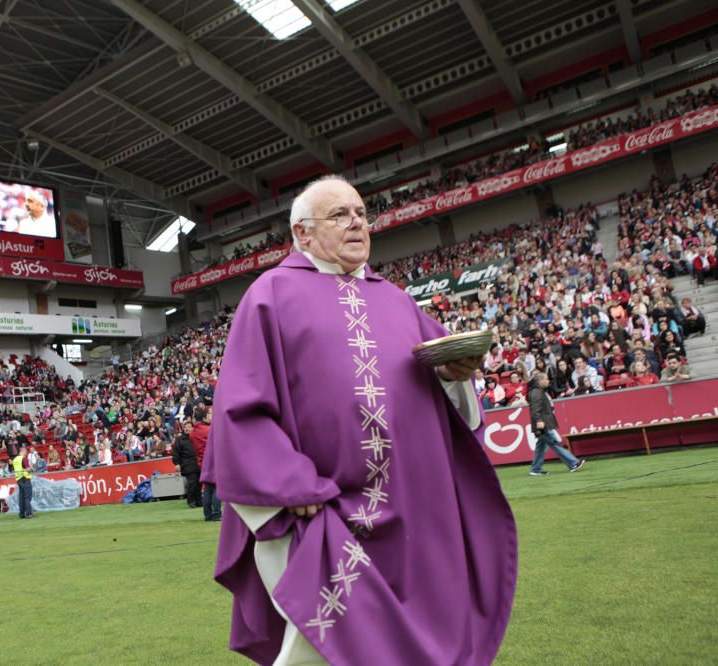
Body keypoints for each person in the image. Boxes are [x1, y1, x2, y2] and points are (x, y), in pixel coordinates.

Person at [201, 176, 515, 665]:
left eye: (362, 213)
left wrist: (457, 377)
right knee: (321, 651)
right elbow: (241, 409)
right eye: (340, 215)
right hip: (321, 518)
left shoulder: (397, 300)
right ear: (302, 234)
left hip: (413, 518)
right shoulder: (270, 297)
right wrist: (291, 485)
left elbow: (447, 397)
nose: (356, 223)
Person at [527, 372, 585, 476]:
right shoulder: (536, 392)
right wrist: (539, 421)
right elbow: (535, 409)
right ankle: (573, 463)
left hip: (544, 422)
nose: (548, 380)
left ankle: (535, 469)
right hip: (543, 423)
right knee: (554, 443)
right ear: (540, 381)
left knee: (541, 446)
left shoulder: (539, 391)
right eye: (546, 379)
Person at [190, 406, 219, 522]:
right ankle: (217, 514)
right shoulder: (209, 429)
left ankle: (208, 515)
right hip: (213, 460)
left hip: (202, 462)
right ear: (204, 417)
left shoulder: (192, 433)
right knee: (216, 488)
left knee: (207, 488)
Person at [171, 420, 201, 508]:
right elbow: (175, 453)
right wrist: (176, 463)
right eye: (186, 427)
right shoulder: (179, 439)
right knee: (192, 483)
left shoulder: (196, 437)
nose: (187, 429)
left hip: (198, 464)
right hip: (187, 465)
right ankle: (191, 501)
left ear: (193, 428)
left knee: (199, 484)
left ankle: (199, 501)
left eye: (189, 427)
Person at [12, 447, 34, 519]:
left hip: (19, 479)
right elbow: (27, 469)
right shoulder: (23, 458)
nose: (27, 453)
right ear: (23, 451)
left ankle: (21, 514)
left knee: (21, 497)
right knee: (27, 497)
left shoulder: (15, 460)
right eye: (26, 452)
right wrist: (32, 469)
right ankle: (28, 513)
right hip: (25, 478)